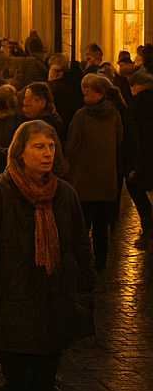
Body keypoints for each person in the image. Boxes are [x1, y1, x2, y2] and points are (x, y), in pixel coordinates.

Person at [0, 120, 96, 391]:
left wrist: (82, 292)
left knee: (43, 390)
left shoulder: (64, 194)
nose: (47, 153)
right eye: (39, 146)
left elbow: (81, 247)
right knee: (19, 384)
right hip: (11, 307)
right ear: (20, 152)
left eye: (51, 146)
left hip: (53, 309)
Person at [64, 75, 124, 272]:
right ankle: (100, 262)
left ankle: (83, 262)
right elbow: (119, 140)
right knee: (101, 225)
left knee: (83, 225)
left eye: (87, 93)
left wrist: (67, 169)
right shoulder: (114, 113)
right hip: (106, 179)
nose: (84, 97)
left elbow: (72, 146)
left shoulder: (81, 116)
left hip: (83, 179)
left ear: (99, 93)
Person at [125, 69, 153, 239]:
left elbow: (138, 139)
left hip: (144, 158)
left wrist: (136, 167)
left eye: (133, 85)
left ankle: (147, 220)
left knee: (135, 186)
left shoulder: (138, 105)